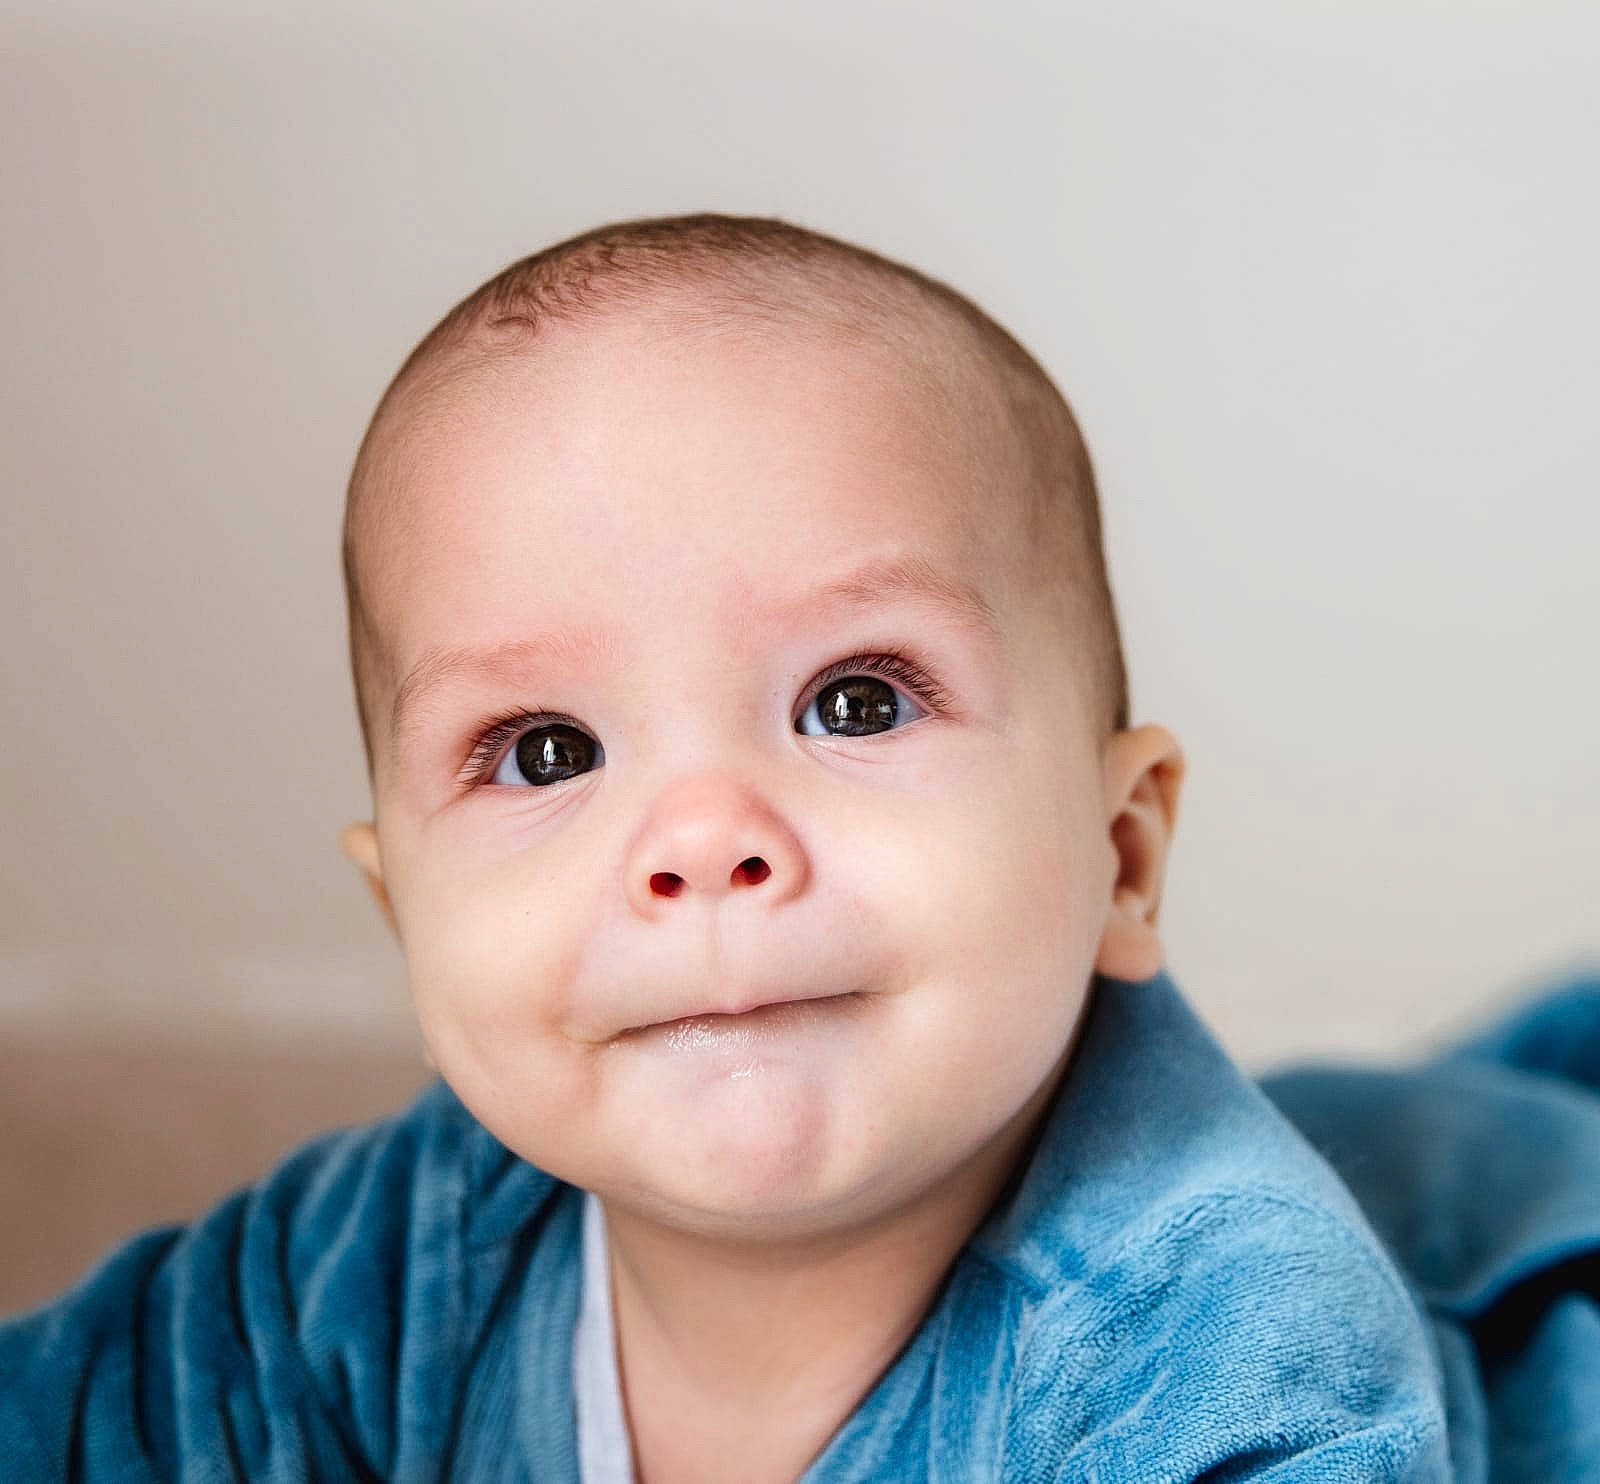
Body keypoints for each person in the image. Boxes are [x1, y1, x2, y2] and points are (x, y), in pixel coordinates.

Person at [2, 213, 1596, 1483]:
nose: (702, 839)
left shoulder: (1226, 1355)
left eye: (852, 702)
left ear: (1119, 855)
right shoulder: (396, 1259)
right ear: (402, 909)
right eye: (546, 751)